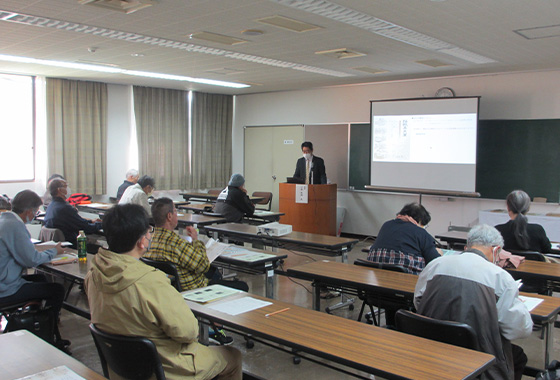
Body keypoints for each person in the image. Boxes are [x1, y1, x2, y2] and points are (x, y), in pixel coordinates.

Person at [84, 204, 242, 380]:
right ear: (141, 241)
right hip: (164, 367)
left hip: (121, 368)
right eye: (148, 231)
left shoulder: (93, 274)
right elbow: (189, 331)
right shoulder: (150, 281)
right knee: (232, 356)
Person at [414, 224, 533, 380]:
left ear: (466, 247)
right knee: (518, 356)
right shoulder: (500, 278)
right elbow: (517, 329)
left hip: (432, 350)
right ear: (496, 251)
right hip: (478, 360)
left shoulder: (435, 265)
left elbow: (418, 302)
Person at [146, 198, 248, 345]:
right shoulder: (176, 243)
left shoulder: (150, 240)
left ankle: (213, 325)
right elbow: (203, 265)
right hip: (193, 290)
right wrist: (196, 240)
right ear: (169, 216)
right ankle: (214, 329)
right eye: (175, 211)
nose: (176, 214)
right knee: (241, 286)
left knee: (215, 273)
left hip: (170, 291)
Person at [0, 190, 68, 349]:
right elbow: (31, 260)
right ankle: (50, 334)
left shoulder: (5, 219)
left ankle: (40, 320)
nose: (36, 214)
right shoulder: (15, 225)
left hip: (4, 279)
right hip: (5, 289)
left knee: (40, 279)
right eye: (36, 211)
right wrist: (54, 251)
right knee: (57, 290)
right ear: (28, 211)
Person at [368, 202, 440, 275]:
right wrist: (439, 253)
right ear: (420, 221)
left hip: (378, 276)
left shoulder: (386, 225)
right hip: (407, 280)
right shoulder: (421, 232)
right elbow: (435, 262)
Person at [43, 178, 103, 247]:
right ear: (59, 190)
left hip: (58, 244)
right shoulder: (65, 208)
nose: (68, 189)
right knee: (101, 248)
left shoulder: (51, 206)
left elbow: (77, 222)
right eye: (65, 186)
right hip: (72, 245)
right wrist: (102, 224)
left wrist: (91, 221)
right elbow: (86, 228)